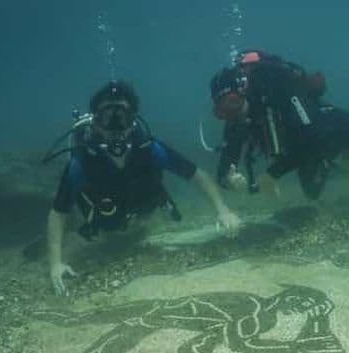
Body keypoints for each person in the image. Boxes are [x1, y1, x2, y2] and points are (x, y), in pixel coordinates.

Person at [48, 80, 241, 295]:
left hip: (143, 210)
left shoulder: (149, 149)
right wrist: (55, 263)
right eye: (107, 117)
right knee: (106, 232)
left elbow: (197, 175)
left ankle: (136, 224)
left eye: (121, 116)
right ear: (94, 122)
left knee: (139, 224)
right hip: (104, 222)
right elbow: (58, 211)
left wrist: (223, 210)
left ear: (133, 121)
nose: (115, 126)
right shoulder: (83, 162)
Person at [210, 28, 349, 200]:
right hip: (307, 143)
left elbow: (314, 134)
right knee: (312, 192)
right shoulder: (236, 120)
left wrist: (272, 174)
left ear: (243, 91)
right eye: (222, 110)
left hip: (326, 125)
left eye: (232, 102)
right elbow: (223, 171)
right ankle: (338, 154)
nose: (230, 112)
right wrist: (230, 179)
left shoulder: (277, 88)